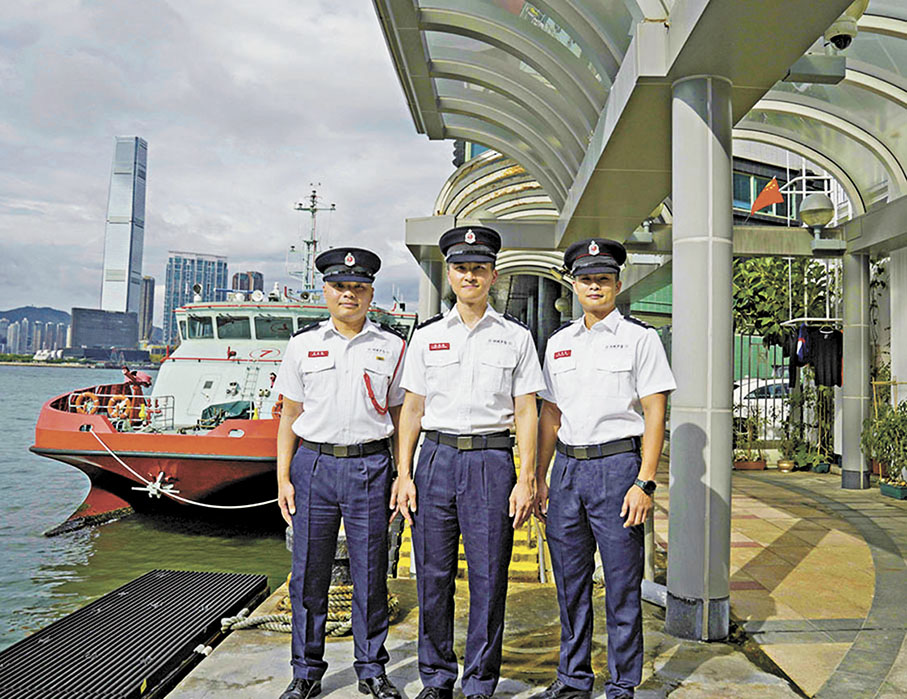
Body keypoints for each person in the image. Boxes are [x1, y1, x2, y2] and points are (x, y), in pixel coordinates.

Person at [391, 225, 545, 699]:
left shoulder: (515, 337)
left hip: (491, 461)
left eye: (479, 268)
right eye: (461, 268)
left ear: (493, 275)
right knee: (432, 574)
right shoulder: (427, 336)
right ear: (450, 274)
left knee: (489, 575)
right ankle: (437, 677)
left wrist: (527, 477)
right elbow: (412, 409)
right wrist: (403, 474)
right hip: (435, 459)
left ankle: (479, 681)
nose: (470, 276)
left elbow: (526, 410)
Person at [531, 239, 676, 699]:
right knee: (570, 583)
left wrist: (645, 482)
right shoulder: (558, 343)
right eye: (586, 279)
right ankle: (573, 678)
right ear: (574, 285)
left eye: (603, 279)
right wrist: (538, 477)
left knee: (621, 584)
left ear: (617, 283)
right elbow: (550, 415)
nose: (594, 286)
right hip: (567, 472)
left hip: (617, 469)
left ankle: (622, 683)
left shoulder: (640, 339)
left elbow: (655, 412)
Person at [275, 247, 406, 699]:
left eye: (358, 287)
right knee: (309, 573)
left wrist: (401, 474)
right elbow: (289, 414)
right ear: (325, 291)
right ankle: (306, 671)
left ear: (370, 293)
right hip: (313, 465)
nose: (349, 294)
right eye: (339, 286)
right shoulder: (302, 345)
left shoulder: (392, 346)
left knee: (371, 572)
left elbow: (401, 414)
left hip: (371, 466)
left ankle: (371, 668)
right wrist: (283, 478)